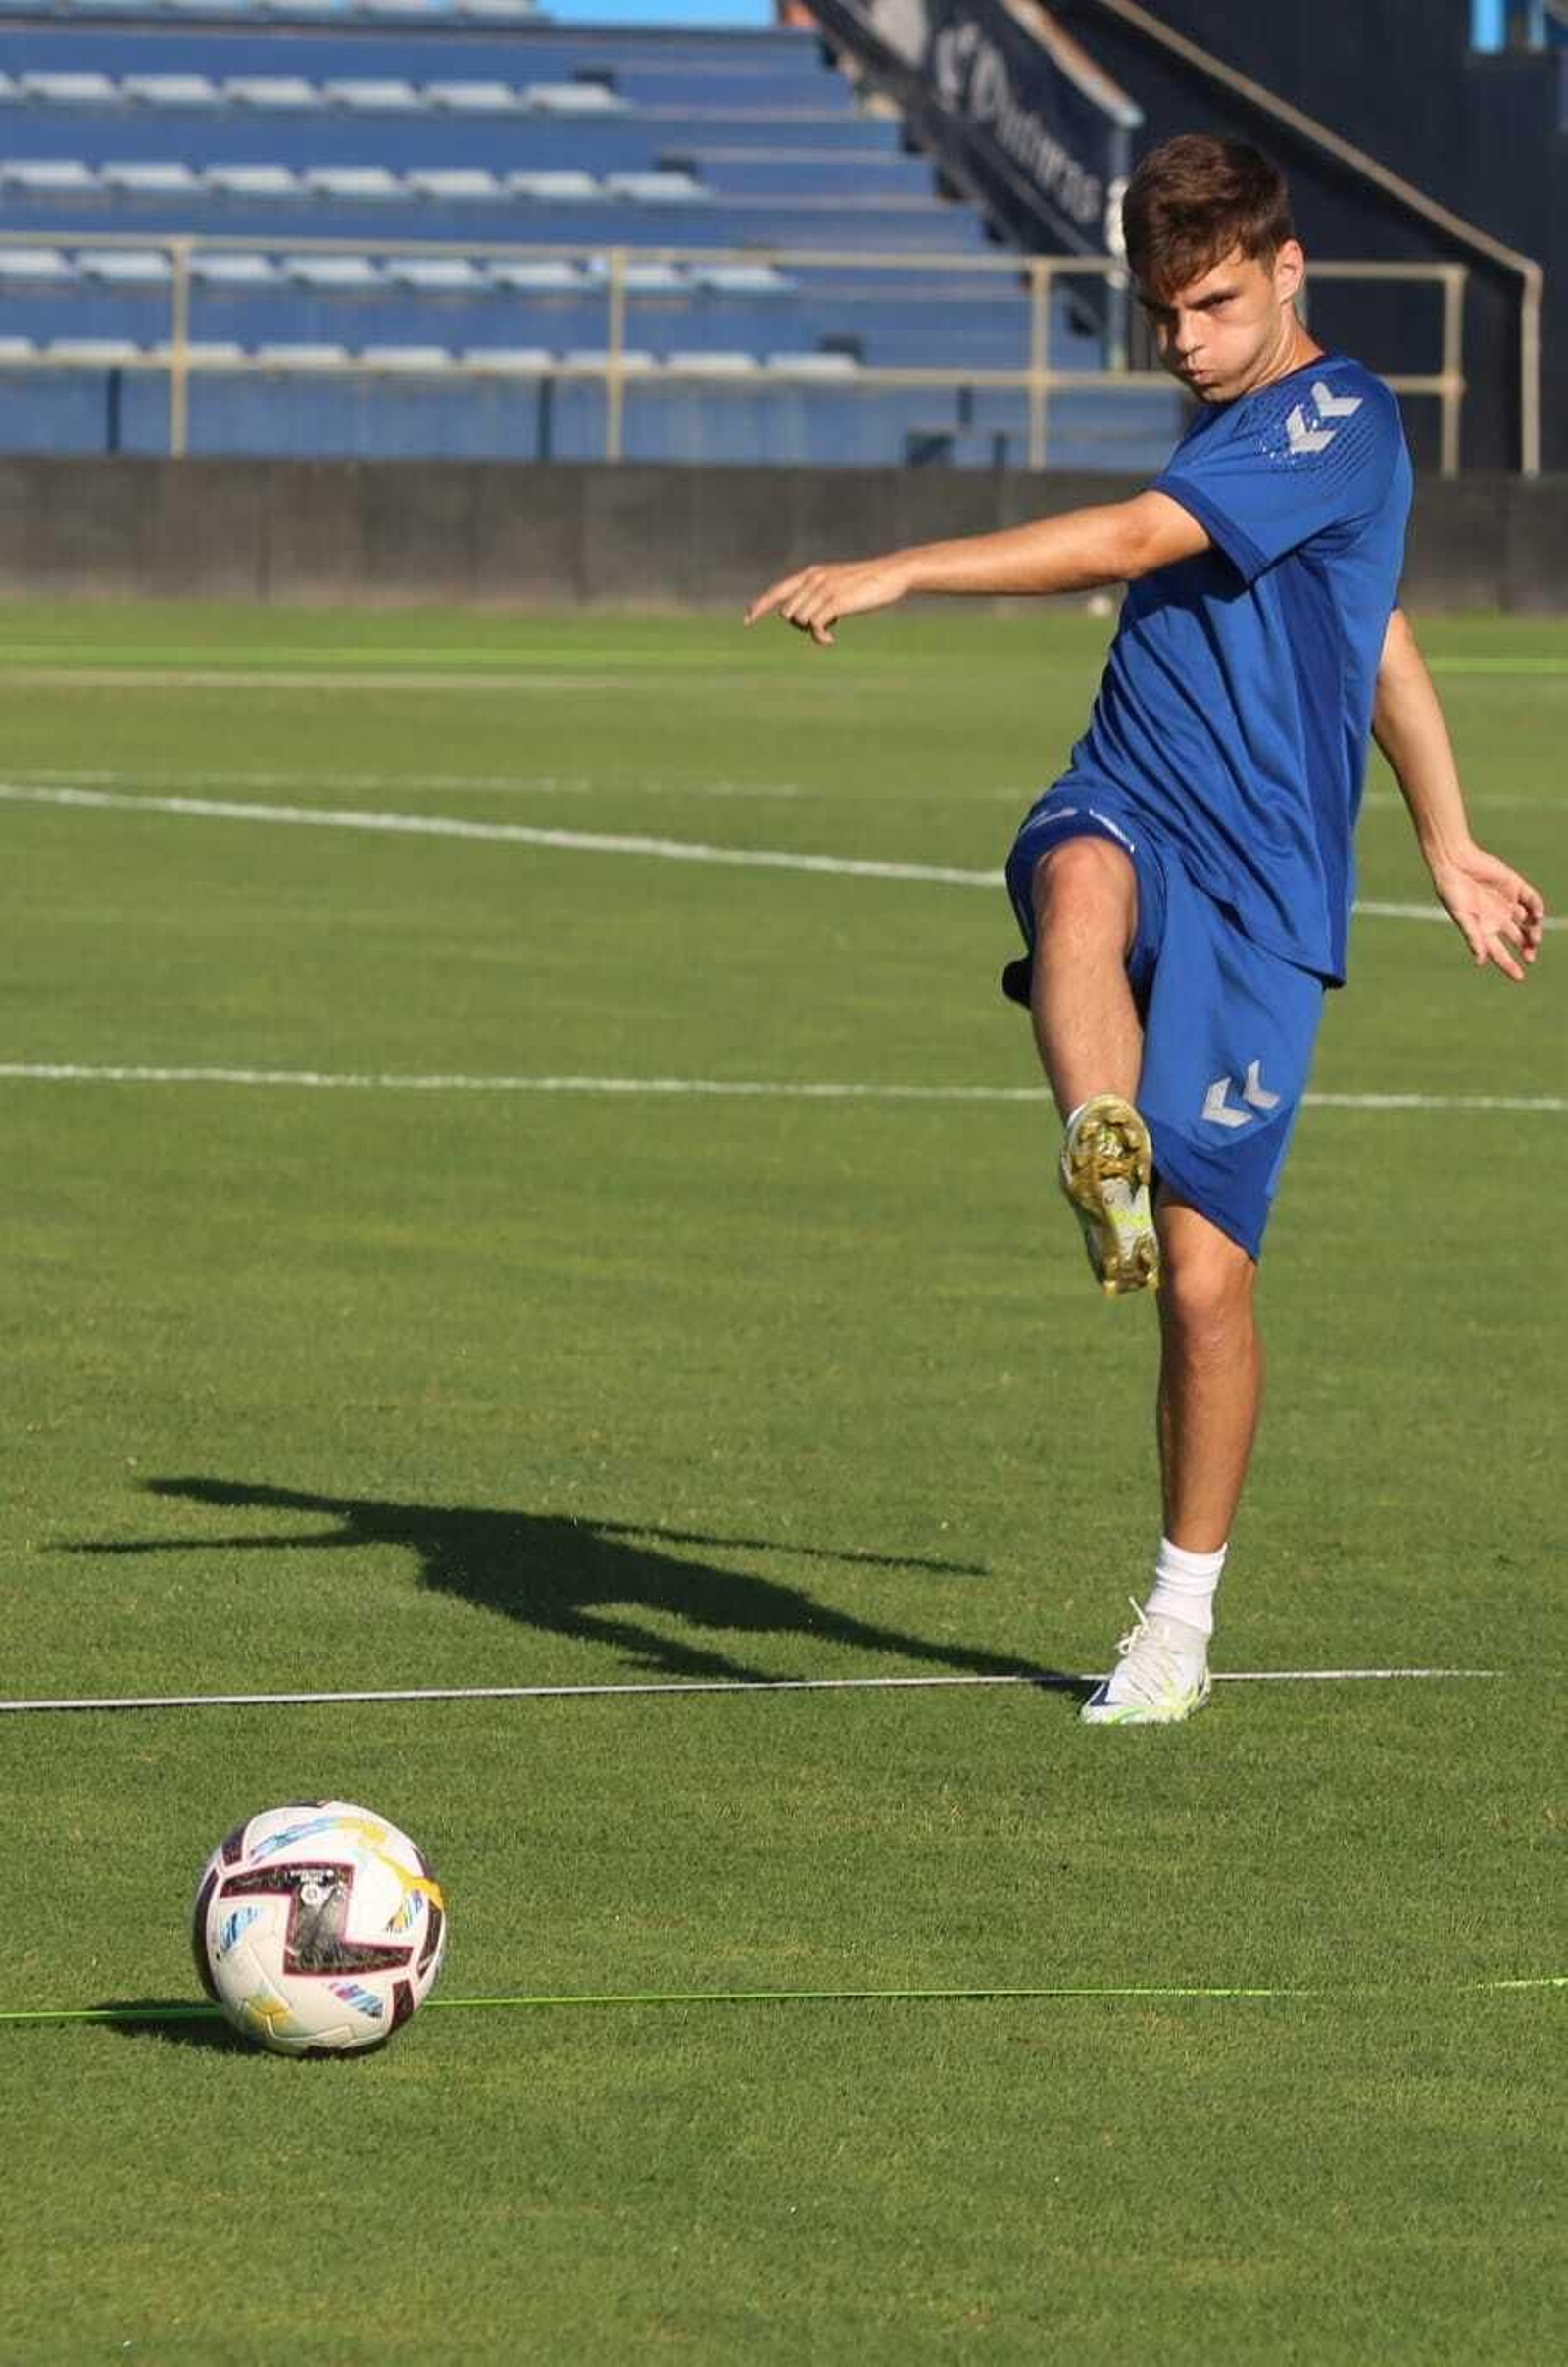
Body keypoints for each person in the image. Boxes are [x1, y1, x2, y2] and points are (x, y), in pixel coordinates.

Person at [744, 133, 1545, 1725]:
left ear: (1289, 272)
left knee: (1204, 1293)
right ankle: (1103, 1139)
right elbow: (1375, 623)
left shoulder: (1335, 413)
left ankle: (1179, 1621)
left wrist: (902, 566)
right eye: (1161, 314)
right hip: (1131, 792)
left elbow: (1185, 566)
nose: (1184, 343)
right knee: (1076, 892)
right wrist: (1450, 835)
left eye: (1215, 306)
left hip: (1269, 896)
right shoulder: (1249, 418)